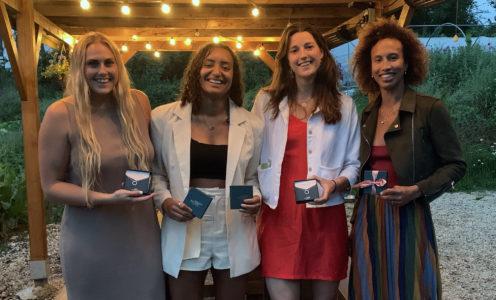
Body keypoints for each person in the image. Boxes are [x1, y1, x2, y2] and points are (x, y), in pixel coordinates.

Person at [38, 32, 165, 299]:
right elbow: (50, 187)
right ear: (78, 69)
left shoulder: (138, 102)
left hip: (142, 238)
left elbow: (149, 163)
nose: (103, 71)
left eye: (109, 63)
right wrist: (107, 198)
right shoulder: (60, 114)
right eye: (92, 64)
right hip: (90, 241)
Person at [348, 18, 467, 300]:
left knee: (411, 287)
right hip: (369, 215)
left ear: (406, 63)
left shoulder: (430, 108)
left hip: (409, 213)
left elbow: (456, 165)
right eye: (378, 60)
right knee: (370, 287)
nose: (385, 65)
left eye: (392, 57)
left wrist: (417, 190)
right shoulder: (367, 114)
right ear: (370, 68)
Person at [252, 22, 361, 300]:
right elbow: (250, 159)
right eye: (294, 50)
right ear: (286, 60)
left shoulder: (344, 105)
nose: (303, 54)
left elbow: (353, 164)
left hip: (326, 218)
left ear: (322, 52)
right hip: (279, 218)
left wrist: (334, 184)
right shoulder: (266, 102)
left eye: (309, 46)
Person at [151, 43, 263, 300]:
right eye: (209, 63)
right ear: (195, 70)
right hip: (185, 217)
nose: (217, 71)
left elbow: (252, 177)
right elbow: (156, 174)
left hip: (233, 220)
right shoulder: (163, 119)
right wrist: (165, 202)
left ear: (233, 76)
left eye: (226, 66)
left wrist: (255, 196)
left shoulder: (252, 125)